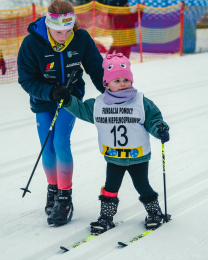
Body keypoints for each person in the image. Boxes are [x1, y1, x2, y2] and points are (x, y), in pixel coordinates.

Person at [52, 53, 170, 233]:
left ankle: (155, 213)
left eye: (125, 79)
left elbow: (153, 119)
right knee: (110, 188)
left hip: (138, 156)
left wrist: (160, 129)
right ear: (106, 84)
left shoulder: (140, 102)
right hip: (114, 157)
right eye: (116, 80)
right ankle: (106, 217)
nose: (122, 83)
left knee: (142, 186)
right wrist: (67, 99)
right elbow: (81, 110)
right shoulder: (98, 104)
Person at [17, 0, 105, 226]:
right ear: (48, 25)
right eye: (58, 32)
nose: (63, 35)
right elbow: (26, 79)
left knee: (60, 142)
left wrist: (112, 92)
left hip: (70, 99)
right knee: (47, 148)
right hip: (44, 100)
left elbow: (97, 69)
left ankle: (65, 198)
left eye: (68, 30)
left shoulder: (81, 38)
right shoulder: (32, 43)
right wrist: (50, 91)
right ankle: (53, 189)